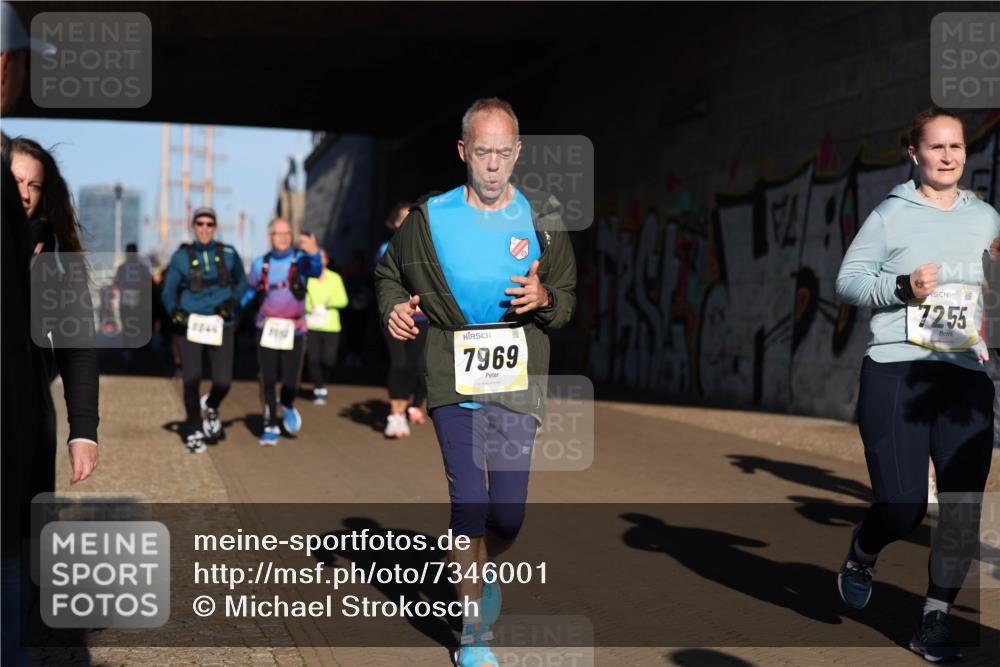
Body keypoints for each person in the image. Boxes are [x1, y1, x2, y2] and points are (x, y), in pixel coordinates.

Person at [375, 98, 576, 667]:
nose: (492, 165)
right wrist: (393, 307)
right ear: (463, 152)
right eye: (482, 152)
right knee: (469, 502)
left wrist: (546, 298)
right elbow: (389, 273)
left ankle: (481, 570)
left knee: (507, 513)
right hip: (450, 369)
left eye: (503, 153)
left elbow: (566, 298)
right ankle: (472, 635)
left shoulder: (543, 216)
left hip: (517, 374)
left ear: (518, 154)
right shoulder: (429, 217)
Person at [835, 107, 1000, 663]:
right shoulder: (890, 214)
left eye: (957, 147)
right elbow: (848, 281)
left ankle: (933, 620)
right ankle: (863, 549)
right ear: (915, 153)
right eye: (937, 147)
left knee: (961, 509)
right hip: (896, 369)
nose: (949, 156)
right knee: (903, 507)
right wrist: (903, 286)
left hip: (964, 376)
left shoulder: (985, 217)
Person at [1, 8, 92, 665]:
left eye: (35, 184)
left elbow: (78, 344)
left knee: (23, 548)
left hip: (27, 418)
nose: (24, 193)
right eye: (17, 182)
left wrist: (82, 425)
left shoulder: (55, 252)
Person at [162, 207, 248, 453]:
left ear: (215, 227)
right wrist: (173, 310)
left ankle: (211, 404)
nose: (204, 228)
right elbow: (168, 290)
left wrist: (233, 301)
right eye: (199, 223)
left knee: (223, 381)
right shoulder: (180, 257)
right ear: (193, 226)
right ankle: (193, 427)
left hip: (222, 323)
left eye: (209, 224)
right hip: (192, 323)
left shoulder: (230, 254)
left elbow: (243, 282)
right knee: (191, 378)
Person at [241, 219, 322, 446]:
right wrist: (233, 312)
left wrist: (315, 253)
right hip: (266, 327)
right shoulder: (260, 264)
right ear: (270, 236)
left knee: (290, 379)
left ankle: (287, 403)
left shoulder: (302, 260)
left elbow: (316, 271)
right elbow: (249, 291)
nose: (284, 237)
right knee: (268, 378)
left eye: (288, 233)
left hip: (295, 329)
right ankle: (269, 424)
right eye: (279, 233)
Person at [376, 201, 430, 438]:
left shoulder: (430, 249)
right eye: (404, 219)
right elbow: (384, 279)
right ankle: (395, 414)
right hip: (397, 316)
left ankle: (409, 406)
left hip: (422, 318)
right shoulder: (386, 249)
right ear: (395, 223)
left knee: (416, 367)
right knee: (399, 364)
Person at [305, 248, 348, 404]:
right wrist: (310, 306)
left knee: (329, 360)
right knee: (313, 358)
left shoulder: (335, 278)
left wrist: (331, 303)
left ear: (327, 260)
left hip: (331, 326)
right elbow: (301, 299)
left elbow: (344, 300)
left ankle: (324, 379)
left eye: (321, 257)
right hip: (312, 324)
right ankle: (319, 389)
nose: (319, 260)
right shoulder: (308, 278)